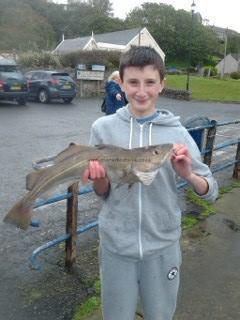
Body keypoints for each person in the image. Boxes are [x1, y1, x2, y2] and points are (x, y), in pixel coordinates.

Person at [83, 46, 218, 320]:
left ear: (162, 85)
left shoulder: (177, 133)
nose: (141, 91)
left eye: (150, 82)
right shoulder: (103, 128)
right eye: (133, 82)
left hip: (162, 247)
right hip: (116, 247)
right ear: (121, 83)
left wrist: (188, 175)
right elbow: (102, 193)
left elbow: (211, 190)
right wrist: (98, 181)